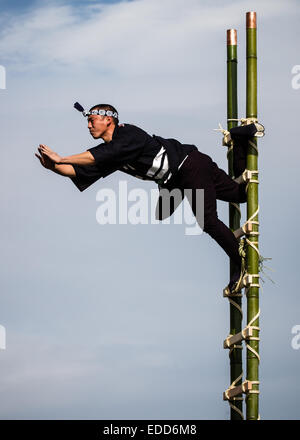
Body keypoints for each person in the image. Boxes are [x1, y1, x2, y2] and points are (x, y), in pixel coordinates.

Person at [35, 102, 264, 293]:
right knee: (225, 197)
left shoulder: (127, 134)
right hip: (176, 179)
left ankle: (241, 263)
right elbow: (81, 170)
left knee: (209, 221)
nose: (88, 125)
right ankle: (237, 140)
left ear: (108, 119)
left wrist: (62, 158)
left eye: (91, 120)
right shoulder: (109, 152)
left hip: (189, 165)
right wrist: (53, 167)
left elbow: (95, 157)